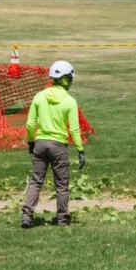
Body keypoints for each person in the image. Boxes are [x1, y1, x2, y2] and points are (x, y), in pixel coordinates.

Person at [22, 60, 86, 228]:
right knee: (62, 185)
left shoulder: (39, 96)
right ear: (65, 79)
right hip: (59, 147)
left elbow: (30, 124)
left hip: (40, 144)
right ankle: (63, 219)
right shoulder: (70, 101)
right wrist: (80, 150)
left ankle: (27, 216)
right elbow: (74, 129)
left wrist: (31, 142)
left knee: (36, 182)